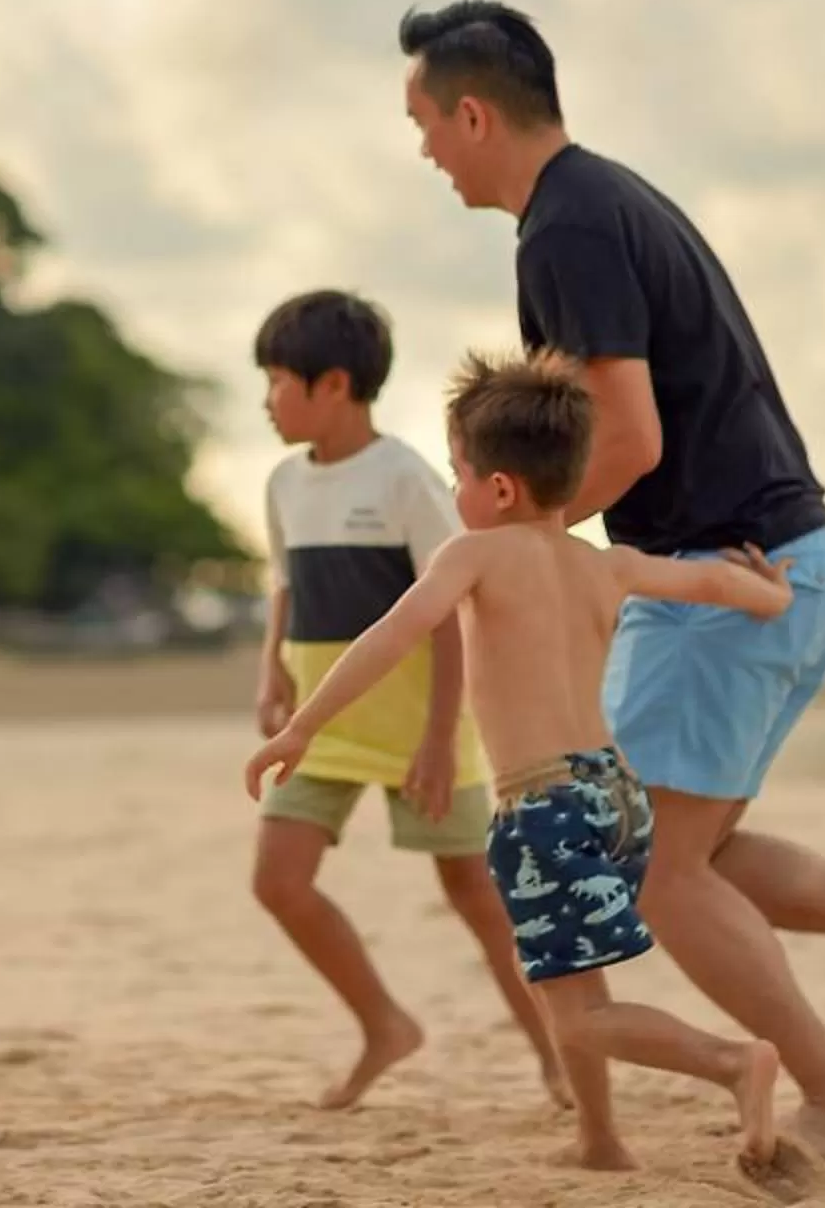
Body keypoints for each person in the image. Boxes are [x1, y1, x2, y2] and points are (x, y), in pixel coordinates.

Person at [392, 0, 825, 1159]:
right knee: (695, 853)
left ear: (473, 112)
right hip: (779, 556)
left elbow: (630, 434)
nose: (422, 147)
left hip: (722, 564)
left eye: (424, 121)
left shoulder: (565, 228)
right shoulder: (602, 198)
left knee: (660, 872)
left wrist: (537, 554)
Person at [247, 349, 816, 1196]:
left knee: (578, 1012)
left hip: (542, 802)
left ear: (500, 488)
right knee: (564, 975)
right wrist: (772, 595)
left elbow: (388, 638)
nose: (455, 495)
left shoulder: (473, 557)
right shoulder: (605, 564)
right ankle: (598, 1139)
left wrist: (300, 727)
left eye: (458, 477)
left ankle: (732, 1063)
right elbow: (709, 584)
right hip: (616, 796)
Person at [246, 290, 565, 1111]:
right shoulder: (283, 483)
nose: (267, 399)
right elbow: (285, 586)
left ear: (335, 385)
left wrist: (436, 738)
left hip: (420, 723)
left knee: (475, 897)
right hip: (324, 721)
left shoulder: (406, 481)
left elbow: (447, 614)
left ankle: (559, 1055)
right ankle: (385, 1024)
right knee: (278, 883)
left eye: (279, 380)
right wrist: (272, 673)